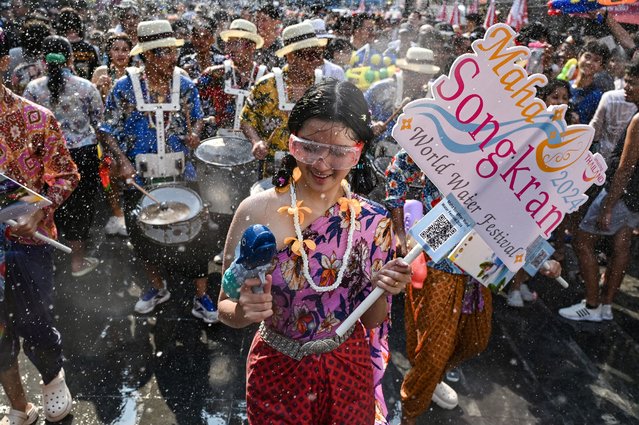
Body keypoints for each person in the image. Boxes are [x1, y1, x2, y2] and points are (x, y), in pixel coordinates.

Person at [219, 79, 412, 423]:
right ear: (292, 143)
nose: (322, 164)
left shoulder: (373, 221)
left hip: (347, 368)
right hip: (276, 369)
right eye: (310, 148)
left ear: (359, 151)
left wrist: (383, 288)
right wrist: (243, 311)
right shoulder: (256, 211)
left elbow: (373, 320)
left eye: (339, 152)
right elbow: (225, 307)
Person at [386, 147, 562, 423]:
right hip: (438, 256)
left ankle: (429, 379)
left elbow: (518, 209)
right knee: (432, 350)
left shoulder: (507, 145)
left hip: (481, 263)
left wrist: (538, 256)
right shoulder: (439, 134)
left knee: (474, 340)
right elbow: (397, 172)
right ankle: (408, 410)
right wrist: (398, 231)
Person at [99, 20, 218, 324]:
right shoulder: (125, 87)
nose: (172, 58)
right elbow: (107, 129)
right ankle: (157, 287)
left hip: (182, 172)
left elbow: (199, 118)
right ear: (149, 55)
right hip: (140, 175)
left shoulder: (185, 84)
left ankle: (201, 295)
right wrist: (121, 159)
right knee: (144, 238)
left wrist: (195, 132)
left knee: (195, 238)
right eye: (164, 53)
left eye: (172, 52)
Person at [0, 27, 79, 424]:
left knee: (36, 323)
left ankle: (52, 380)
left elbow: (65, 174)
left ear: (2, 64)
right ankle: (18, 407)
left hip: (30, 243)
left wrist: (39, 211)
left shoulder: (36, 117)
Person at [559, 60, 639, 322]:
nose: (627, 87)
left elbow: (625, 168)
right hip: (635, 199)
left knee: (582, 240)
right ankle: (605, 306)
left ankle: (592, 306)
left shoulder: (638, 120)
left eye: (633, 83)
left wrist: (607, 206)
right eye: (626, 80)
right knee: (621, 247)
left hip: (623, 194)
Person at [24, 35, 103, 278]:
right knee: (80, 208)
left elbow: (29, 127)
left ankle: (50, 261)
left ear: (43, 60)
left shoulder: (32, 89)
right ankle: (76, 263)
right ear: (70, 58)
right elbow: (99, 122)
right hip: (83, 156)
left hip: (48, 159)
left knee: (49, 206)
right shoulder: (87, 87)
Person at [240, 21, 326, 176]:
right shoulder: (267, 85)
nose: (317, 62)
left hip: (313, 171)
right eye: (310, 56)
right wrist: (256, 142)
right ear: (291, 57)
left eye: (319, 54)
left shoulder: (324, 88)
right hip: (273, 172)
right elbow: (246, 119)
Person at [92, 33, 133, 237]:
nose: (120, 54)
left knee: (129, 172)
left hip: (129, 133)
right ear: (109, 52)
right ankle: (117, 214)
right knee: (106, 173)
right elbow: (92, 103)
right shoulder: (101, 72)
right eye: (116, 49)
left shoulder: (134, 74)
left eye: (125, 49)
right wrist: (99, 89)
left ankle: (133, 214)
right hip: (107, 134)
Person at [197, 18, 265, 138]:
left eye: (236, 43)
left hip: (252, 145)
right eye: (229, 43)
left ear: (251, 47)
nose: (230, 49)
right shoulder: (216, 73)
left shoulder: (263, 77)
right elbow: (194, 101)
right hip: (219, 142)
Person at [54, 8, 100, 81]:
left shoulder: (57, 48)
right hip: (86, 89)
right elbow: (96, 73)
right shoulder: (88, 48)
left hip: (62, 88)